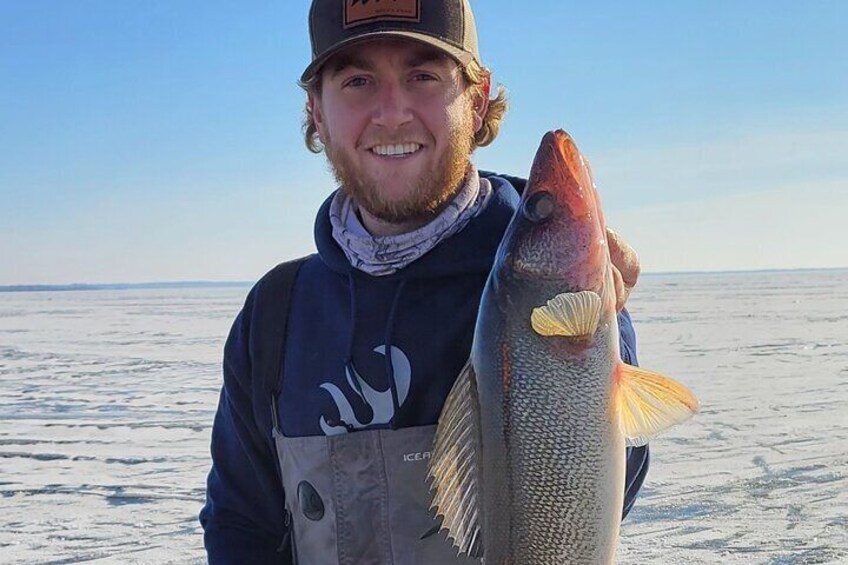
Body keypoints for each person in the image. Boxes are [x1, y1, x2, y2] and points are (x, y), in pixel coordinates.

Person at [199, 1, 647, 563]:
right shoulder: (276, 314)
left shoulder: (541, 290)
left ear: (478, 100)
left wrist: (603, 336)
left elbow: (603, 500)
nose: (392, 112)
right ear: (316, 112)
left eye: (423, 76)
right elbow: (242, 525)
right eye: (358, 80)